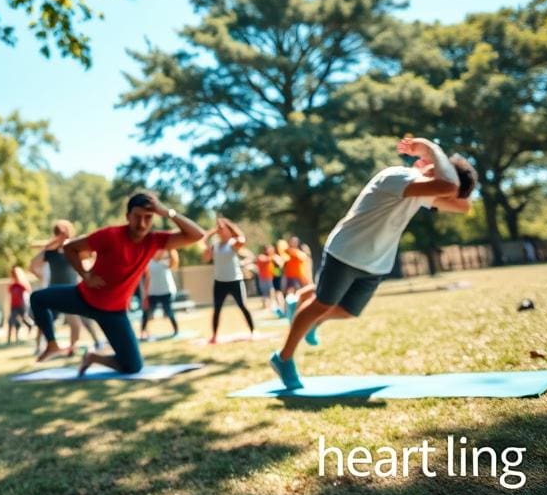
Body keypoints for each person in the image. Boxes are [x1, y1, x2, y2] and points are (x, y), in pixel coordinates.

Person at [270, 136, 478, 390]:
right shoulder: (398, 177)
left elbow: (463, 205)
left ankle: (306, 311)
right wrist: (432, 149)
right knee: (322, 304)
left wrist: (440, 165)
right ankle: (284, 358)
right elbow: (448, 187)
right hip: (347, 251)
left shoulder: (421, 194)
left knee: (348, 311)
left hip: (376, 261)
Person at [31, 193, 204, 375]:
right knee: (37, 298)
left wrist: (167, 212)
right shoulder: (110, 235)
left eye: (148, 217)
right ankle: (52, 344)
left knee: (133, 367)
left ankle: (93, 357)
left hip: (114, 312)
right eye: (137, 217)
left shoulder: (154, 241)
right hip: (84, 298)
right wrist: (86, 275)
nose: (142, 223)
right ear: (128, 216)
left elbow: (198, 234)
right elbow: (70, 247)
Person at [30, 220, 102, 352]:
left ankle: (77, 346)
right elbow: (33, 265)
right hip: (54, 291)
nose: (63, 236)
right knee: (44, 319)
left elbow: (91, 254)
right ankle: (39, 346)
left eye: (65, 233)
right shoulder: (50, 252)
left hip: (72, 291)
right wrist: (50, 246)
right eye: (59, 233)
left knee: (80, 321)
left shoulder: (73, 250)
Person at [203, 218, 255, 343]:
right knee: (217, 309)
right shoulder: (215, 246)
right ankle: (214, 336)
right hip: (219, 282)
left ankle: (252, 332)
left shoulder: (232, 243)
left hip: (235, 280)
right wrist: (213, 231)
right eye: (218, 229)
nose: (220, 230)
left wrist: (230, 226)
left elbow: (242, 239)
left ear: (228, 230)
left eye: (222, 228)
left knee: (243, 306)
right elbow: (205, 256)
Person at [140, 249, 180, 339]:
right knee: (146, 313)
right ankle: (143, 332)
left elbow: (174, 262)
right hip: (152, 293)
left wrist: (171, 248)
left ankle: (176, 330)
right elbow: (147, 279)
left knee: (169, 311)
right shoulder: (148, 263)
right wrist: (145, 294)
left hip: (166, 292)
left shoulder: (167, 261)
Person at [6, 265, 35, 343]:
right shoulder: (12, 285)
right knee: (11, 321)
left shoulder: (21, 284)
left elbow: (28, 290)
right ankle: (9, 339)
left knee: (24, 319)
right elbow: (10, 292)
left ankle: (30, 325)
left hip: (21, 305)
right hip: (13, 306)